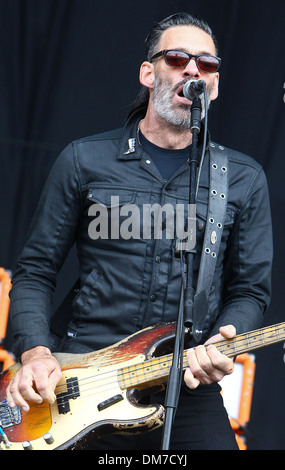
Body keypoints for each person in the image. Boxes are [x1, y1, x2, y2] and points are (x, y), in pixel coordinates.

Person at [6, 12, 272, 450]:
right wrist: (35, 353)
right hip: (80, 376)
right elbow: (35, 271)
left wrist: (224, 341)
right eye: (178, 58)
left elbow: (250, 292)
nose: (193, 70)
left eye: (207, 64)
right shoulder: (84, 160)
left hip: (183, 383)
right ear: (149, 73)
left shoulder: (241, 178)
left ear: (215, 85)